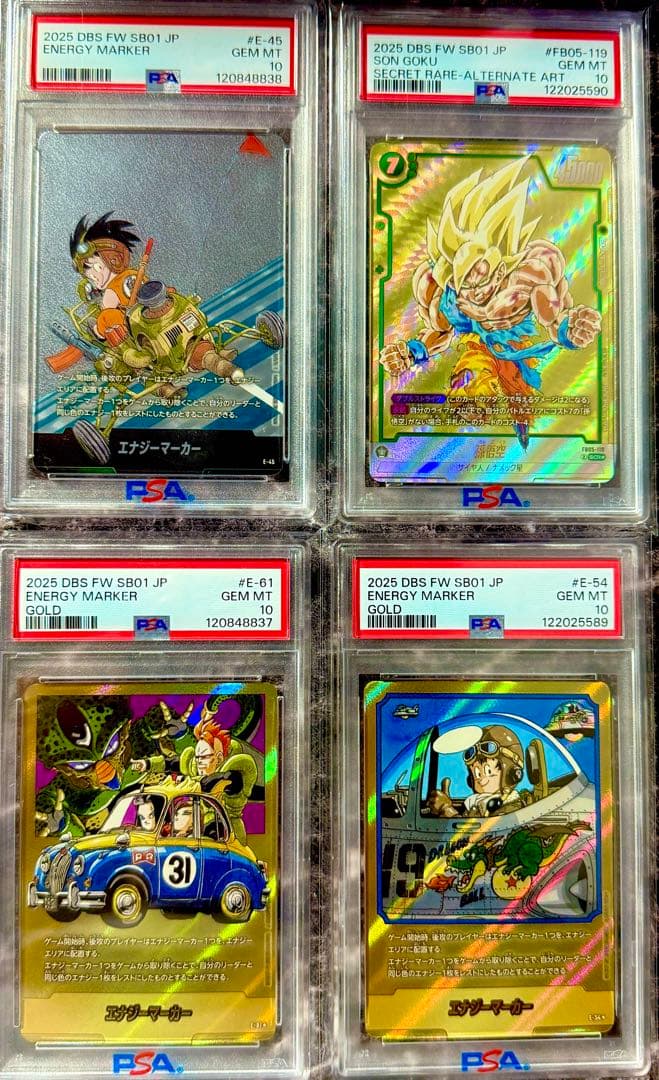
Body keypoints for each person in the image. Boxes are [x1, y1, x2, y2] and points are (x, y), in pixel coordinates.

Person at [378, 157, 601, 447]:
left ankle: (520, 432)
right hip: (475, 344)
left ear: (499, 265)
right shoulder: (441, 288)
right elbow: (440, 332)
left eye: (479, 273)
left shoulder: (529, 275)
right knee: (472, 385)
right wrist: (411, 352)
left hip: (515, 340)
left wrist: (570, 329)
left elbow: (553, 317)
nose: (473, 288)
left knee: (519, 400)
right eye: (462, 279)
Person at [431, 725, 531, 818]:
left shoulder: (511, 807)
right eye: (477, 774)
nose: (481, 779)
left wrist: (446, 809)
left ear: (513, 774)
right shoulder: (477, 803)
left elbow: (481, 830)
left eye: (488, 772)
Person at [70, 214, 142, 344]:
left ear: (113, 259)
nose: (92, 277)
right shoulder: (134, 273)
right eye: (88, 275)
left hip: (131, 328)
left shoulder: (111, 291)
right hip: (143, 316)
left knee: (106, 316)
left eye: (95, 267)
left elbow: (107, 309)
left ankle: (97, 331)